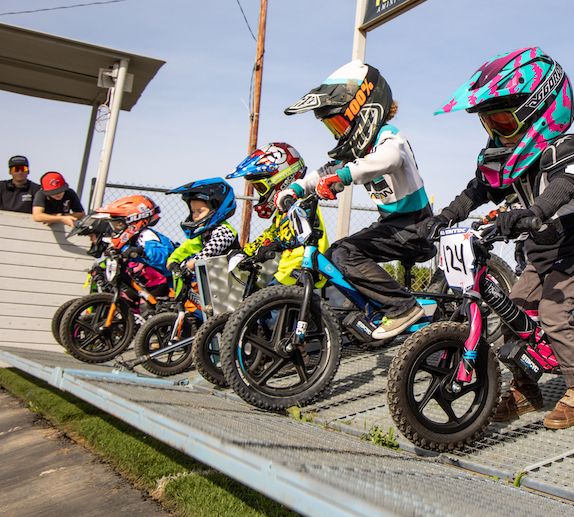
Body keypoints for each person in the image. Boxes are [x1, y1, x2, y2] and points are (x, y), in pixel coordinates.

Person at [420, 47, 574, 430]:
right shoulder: (504, 160)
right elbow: (475, 192)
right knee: (514, 312)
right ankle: (526, 388)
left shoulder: (567, 148)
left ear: (539, 109)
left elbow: (564, 184)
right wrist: (444, 216)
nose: (496, 130)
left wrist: (534, 212)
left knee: (554, 315)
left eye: (504, 120)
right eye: (490, 122)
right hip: (544, 254)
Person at [278, 60, 436, 338]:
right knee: (333, 256)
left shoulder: (388, 138)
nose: (339, 133)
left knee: (344, 253)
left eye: (340, 123)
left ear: (366, 111)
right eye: (332, 128)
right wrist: (297, 189)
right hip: (392, 225)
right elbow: (325, 171)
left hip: (414, 226)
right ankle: (370, 310)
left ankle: (402, 308)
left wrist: (344, 177)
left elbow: (387, 160)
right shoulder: (358, 151)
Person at [227, 142, 330, 287]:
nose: (260, 193)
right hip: (287, 270)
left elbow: (294, 235)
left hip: (301, 268)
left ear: (282, 179)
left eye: (261, 187)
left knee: (269, 304)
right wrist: (245, 251)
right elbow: (271, 234)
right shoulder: (283, 211)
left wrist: (272, 245)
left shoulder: (300, 203)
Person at [95, 195, 176, 297]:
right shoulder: (131, 239)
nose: (115, 229)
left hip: (165, 282)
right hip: (145, 282)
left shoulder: (146, 235)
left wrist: (141, 252)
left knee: (146, 308)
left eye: (118, 224)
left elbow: (162, 256)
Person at [166, 179, 239, 275]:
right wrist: (173, 260)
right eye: (193, 211)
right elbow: (188, 246)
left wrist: (196, 260)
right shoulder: (205, 233)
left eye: (200, 211)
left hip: (236, 280)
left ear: (216, 210)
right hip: (218, 281)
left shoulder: (224, 230)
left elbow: (214, 246)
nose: (195, 216)